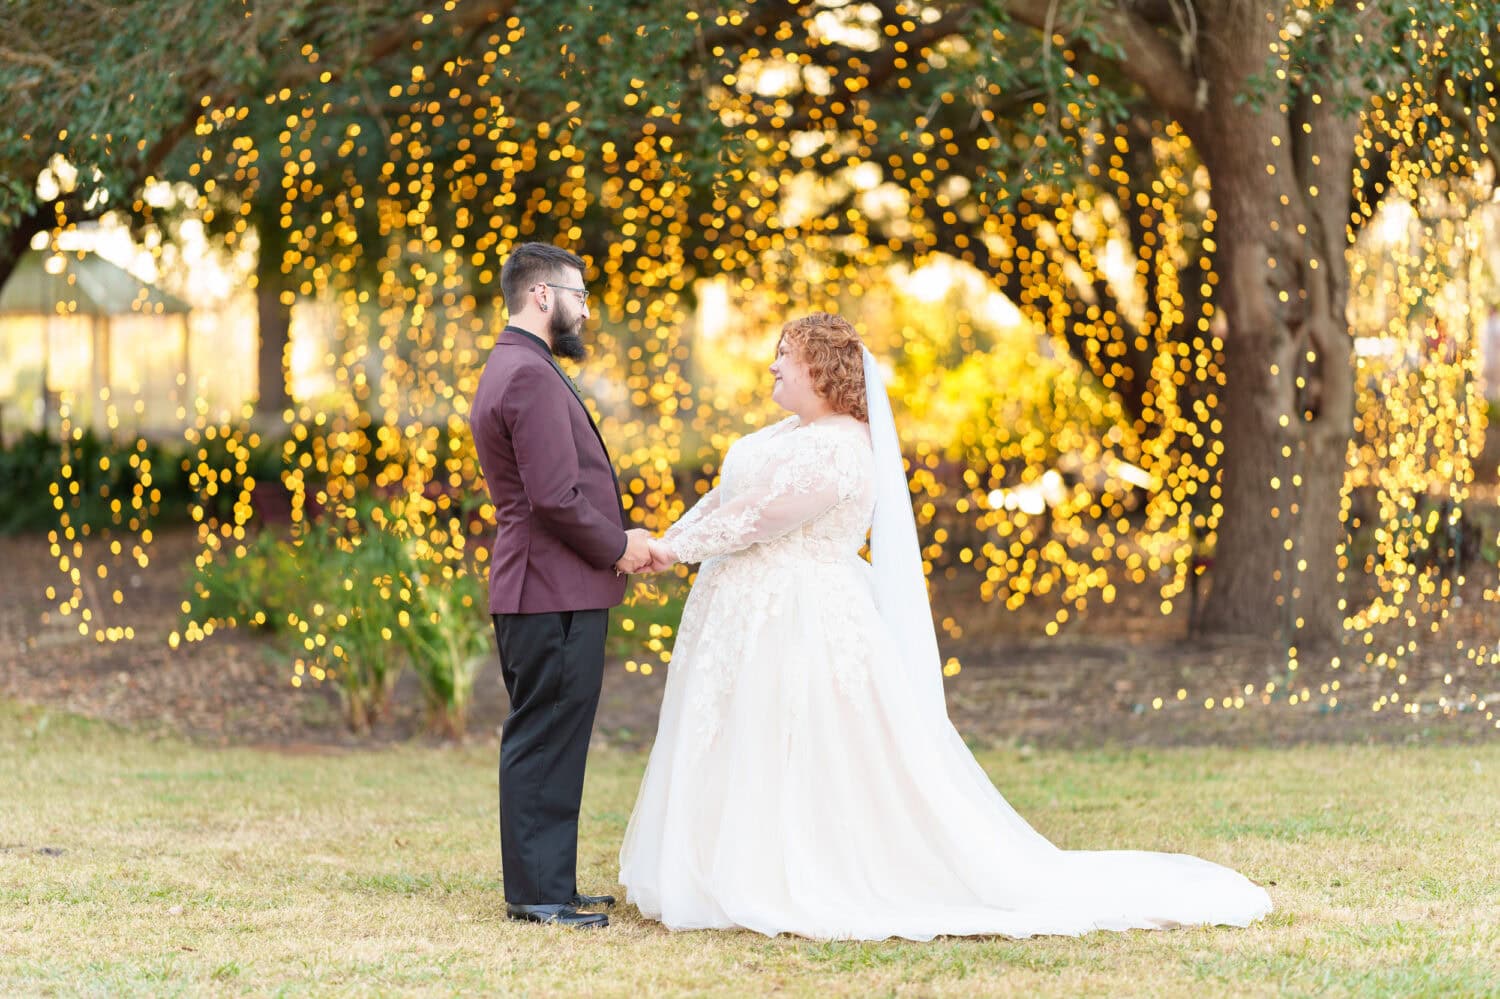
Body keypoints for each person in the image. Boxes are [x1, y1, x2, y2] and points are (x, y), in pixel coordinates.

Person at [619, 312, 1272, 940]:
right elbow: (732, 498)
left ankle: (797, 871)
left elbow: (764, 515)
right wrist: (668, 538)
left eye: (783, 357)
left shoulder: (841, 449)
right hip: (753, 614)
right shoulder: (787, 436)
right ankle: (730, 862)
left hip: (804, 613)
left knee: (806, 734)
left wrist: (676, 551)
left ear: (819, 368)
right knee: (750, 730)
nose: (771, 367)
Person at [468, 242, 660, 929]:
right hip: (550, 590)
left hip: (552, 586)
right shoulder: (526, 373)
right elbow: (554, 495)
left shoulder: (523, 365)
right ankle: (537, 895)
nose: (585, 309)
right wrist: (621, 546)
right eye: (579, 295)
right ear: (541, 295)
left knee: (557, 734)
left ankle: (553, 883)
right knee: (543, 735)